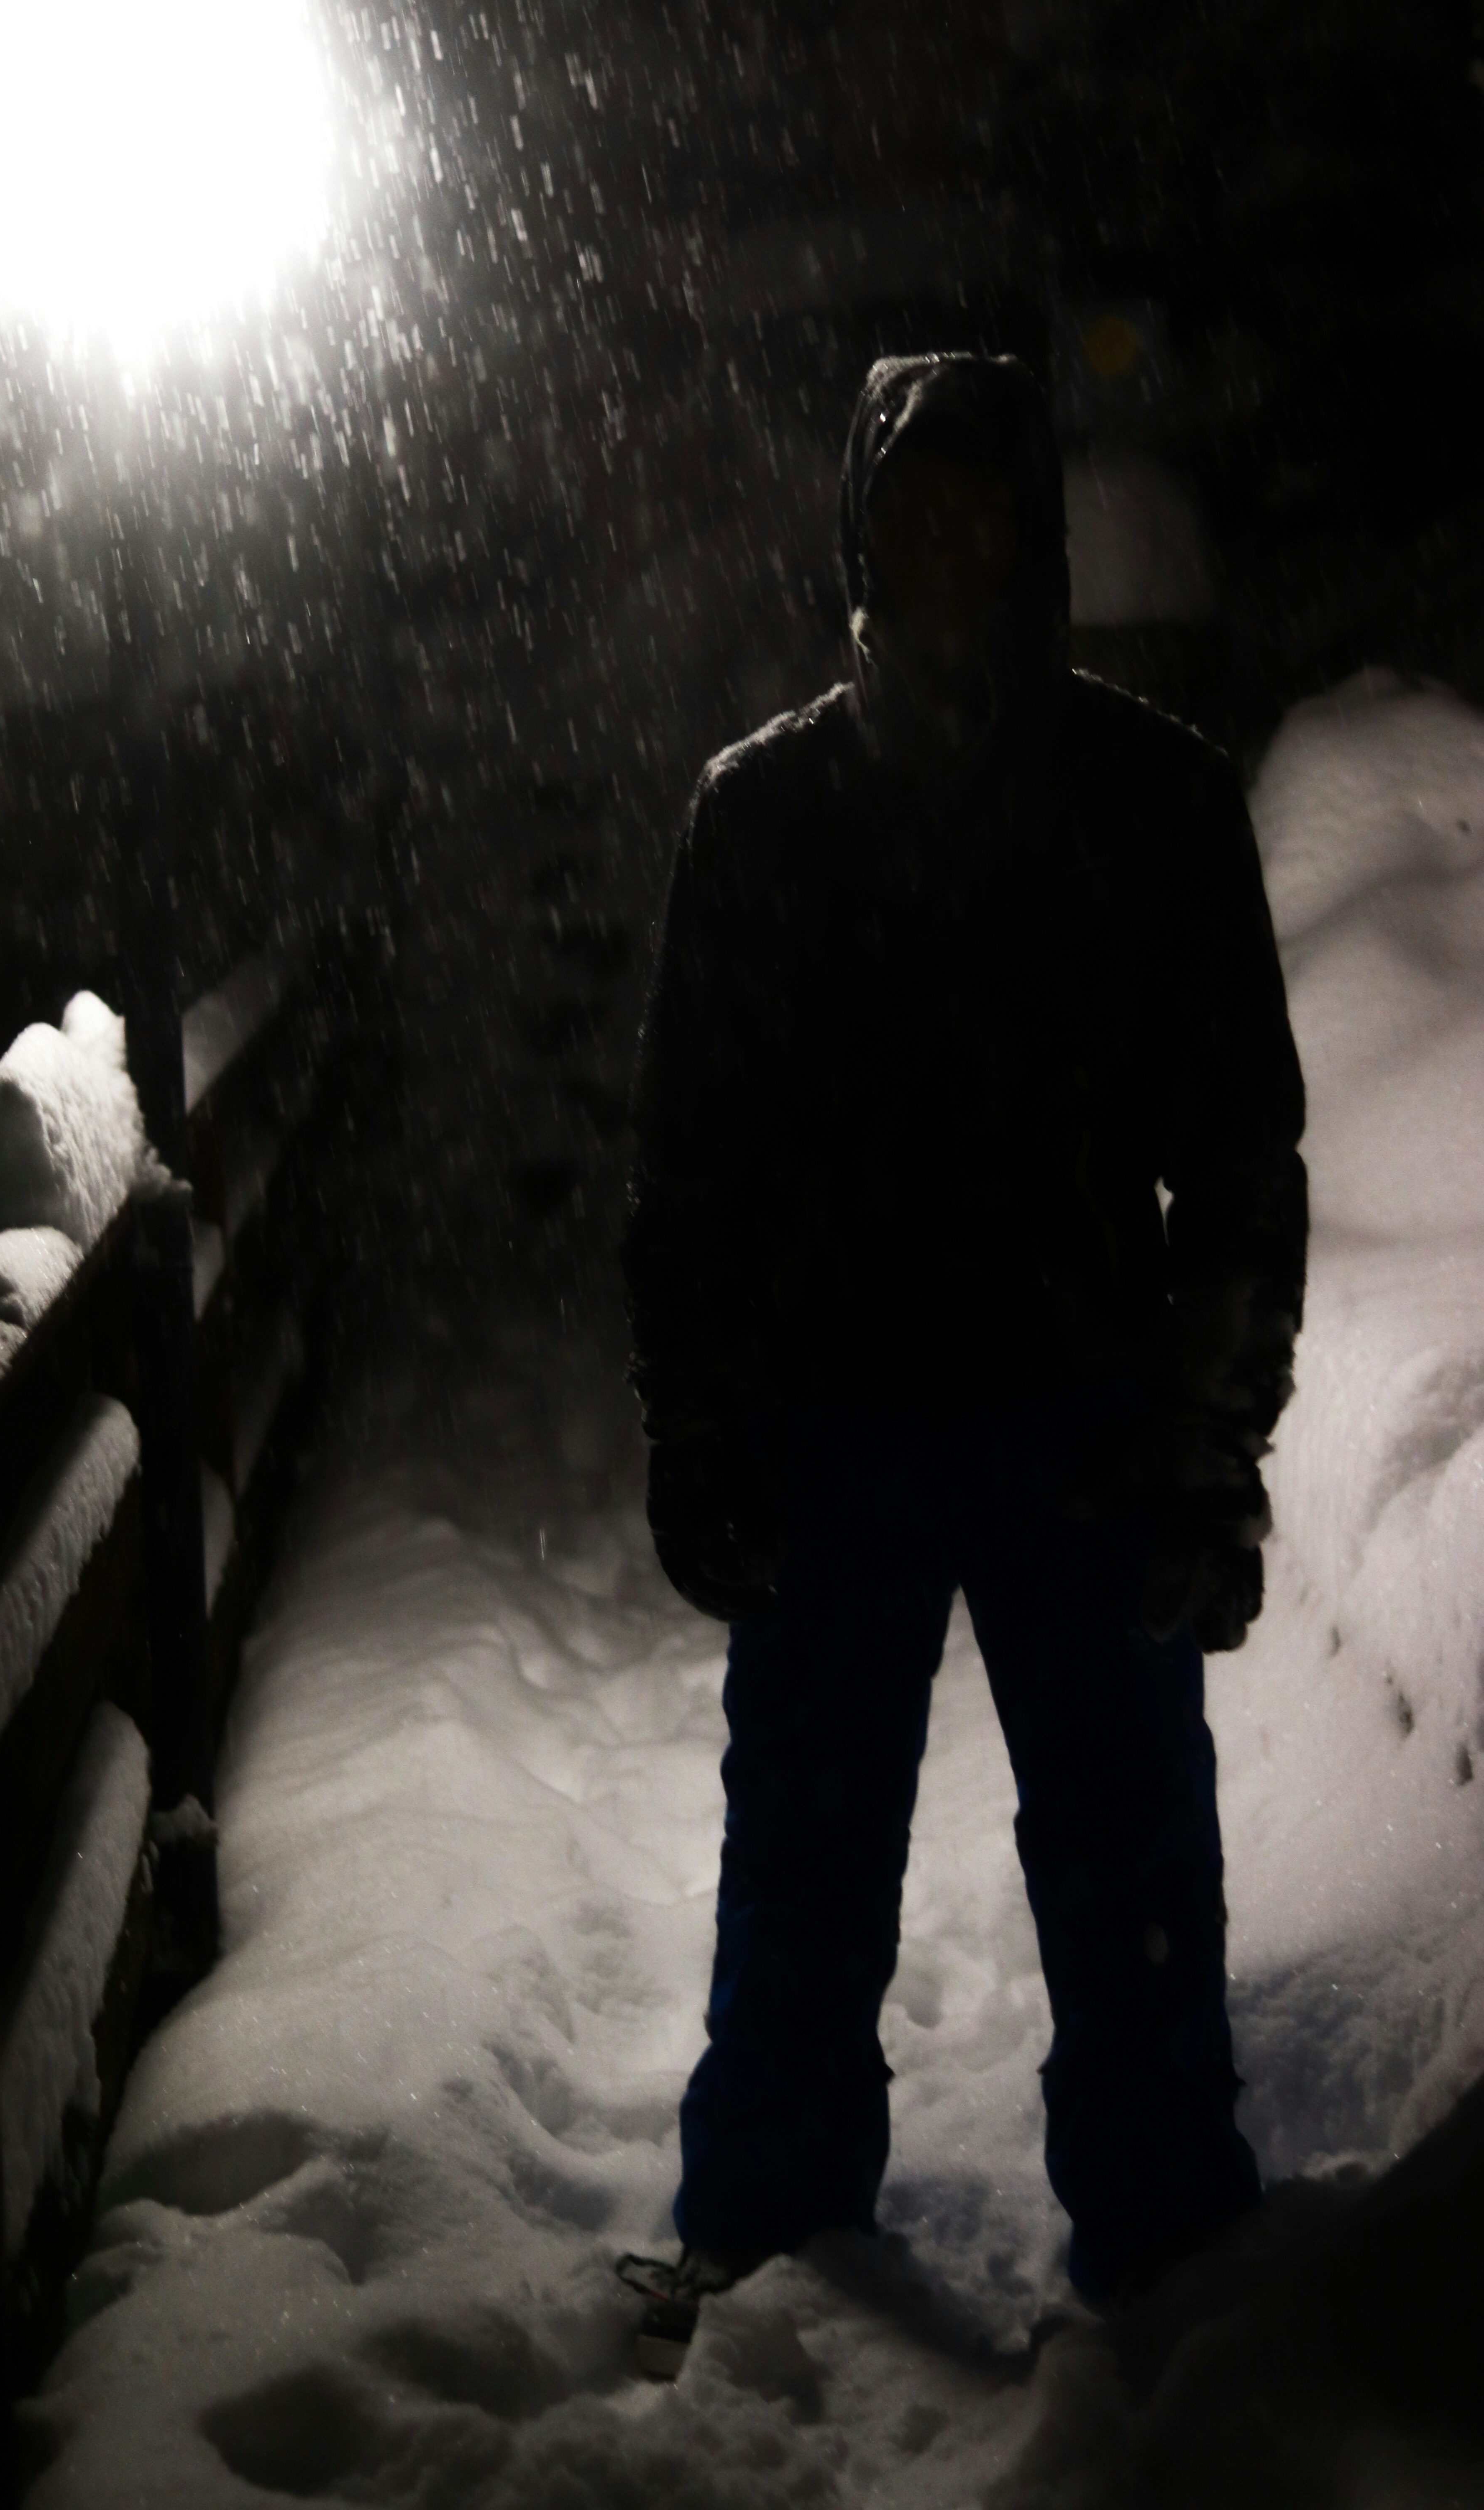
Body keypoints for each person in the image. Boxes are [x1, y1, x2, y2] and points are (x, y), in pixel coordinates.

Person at [615, 352, 1307, 2376]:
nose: (952, 545)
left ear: (1036, 537)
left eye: (987, 508)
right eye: (915, 509)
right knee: (806, 1857)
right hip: (839, 1428)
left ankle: (1178, 2267)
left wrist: (1209, 1445)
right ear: (859, 531)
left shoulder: (1152, 802)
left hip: (1083, 1423)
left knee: (1128, 1870)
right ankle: (764, 2239)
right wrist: (702, 1423)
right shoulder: (761, 820)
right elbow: (693, 1167)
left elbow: (1241, 1162)